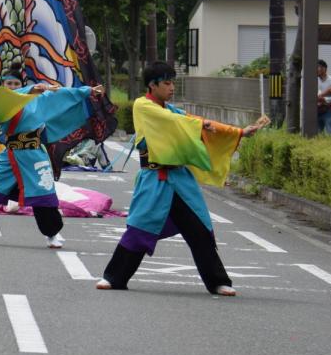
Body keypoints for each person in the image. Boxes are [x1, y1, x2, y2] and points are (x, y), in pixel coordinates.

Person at [96, 61, 268, 296]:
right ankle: (114, 277)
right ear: (152, 85)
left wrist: (239, 132)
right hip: (154, 178)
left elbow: (191, 120)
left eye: (172, 82)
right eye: (167, 83)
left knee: (200, 229)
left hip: (180, 180)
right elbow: (181, 123)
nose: (172, 87)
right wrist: (203, 125)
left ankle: (218, 281)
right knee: (139, 229)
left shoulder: (171, 110)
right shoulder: (143, 106)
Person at [0, 66, 106, 248]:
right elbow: (11, 101)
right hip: (12, 155)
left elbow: (61, 95)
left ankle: (52, 234)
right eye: (10, 84)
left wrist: (87, 91)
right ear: (4, 86)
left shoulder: (37, 100)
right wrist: (31, 89)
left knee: (44, 195)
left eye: (17, 84)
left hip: (35, 154)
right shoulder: (2, 101)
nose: (13, 87)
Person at [317, 60, 331, 137]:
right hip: (315, 110)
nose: (316, 69)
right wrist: (327, 92)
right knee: (316, 134)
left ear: (324, 68)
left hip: (328, 110)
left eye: (318, 67)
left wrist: (324, 99)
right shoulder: (312, 80)